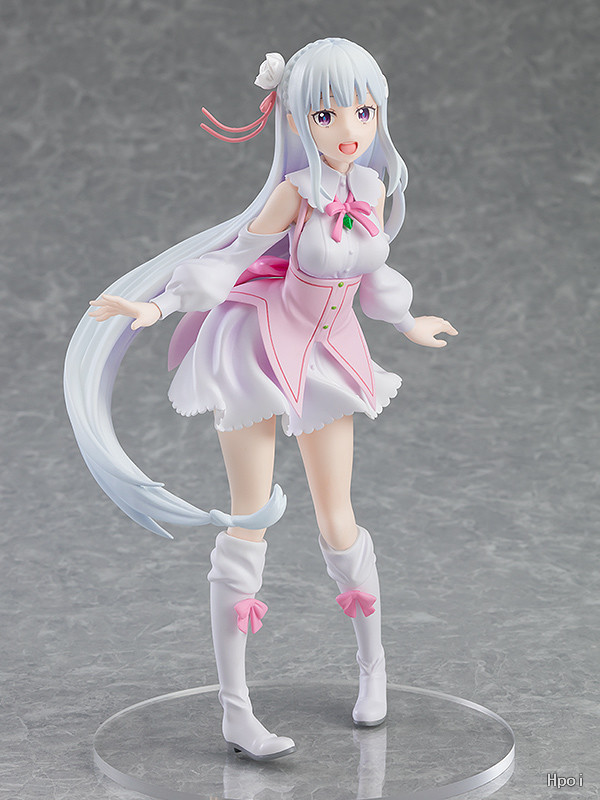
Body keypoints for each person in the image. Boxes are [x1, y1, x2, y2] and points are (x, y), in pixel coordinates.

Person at [65, 38, 457, 762]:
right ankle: (236, 712)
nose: (349, 129)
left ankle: (373, 671)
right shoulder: (295, 193)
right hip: (257, 347)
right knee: (250, 520)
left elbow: (373, 276)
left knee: (339, 519)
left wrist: (408, 322)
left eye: (364, 111)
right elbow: (232, 260)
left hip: (330, 355)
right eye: (328, 114)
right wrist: (156, 307)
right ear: (297, 120)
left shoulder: (371, 190)